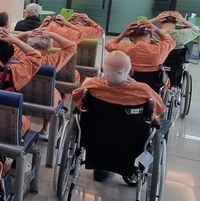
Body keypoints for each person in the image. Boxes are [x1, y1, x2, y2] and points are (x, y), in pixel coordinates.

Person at [72, 51, 166, 182]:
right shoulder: (142, 90)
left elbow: (75, 97)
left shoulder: (93, 85)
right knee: (161, 123)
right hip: (131, 143)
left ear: (103, 70)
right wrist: (134, 83)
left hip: (94, 138)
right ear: (130, 71)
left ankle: (103, 167)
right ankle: (127, 167)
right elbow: (160, 108)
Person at [13, 30, 77, 140]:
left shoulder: (18, 54)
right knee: (53, 92)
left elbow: (10, 41)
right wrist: (51, 34)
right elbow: (71, 46)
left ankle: (24, 121)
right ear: (47, 48)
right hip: (46, 101)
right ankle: (45, 128)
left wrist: (25, 34)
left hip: (21, 96)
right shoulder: (51, 60)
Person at [105, 20, 175, 73]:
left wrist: (123, 34)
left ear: (130, 37)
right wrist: (157, 30)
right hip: (152, 85)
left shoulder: (124, 49)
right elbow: (170, 41)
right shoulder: (159, 50)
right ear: (151, 35)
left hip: (130, 84)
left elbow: (108, 45)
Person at [39, 13, 104, 45]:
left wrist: (67, 21)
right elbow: (100, 30)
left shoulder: (63, 28)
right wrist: (89, 20)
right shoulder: (84, 31)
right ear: (84, 23)